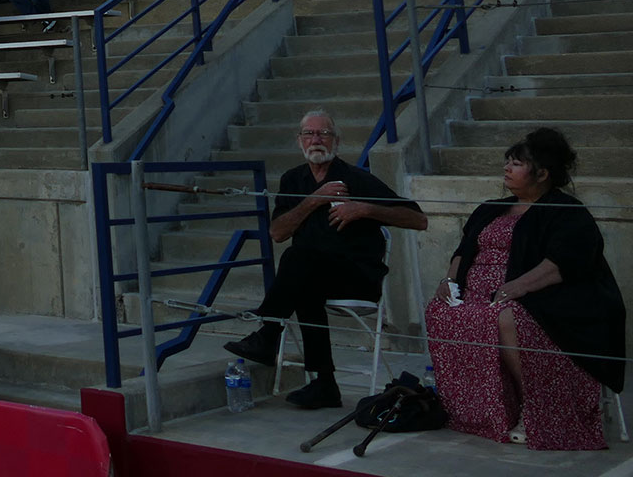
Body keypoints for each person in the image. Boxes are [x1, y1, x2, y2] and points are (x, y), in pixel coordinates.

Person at [425, 128, 625, 449]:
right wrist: (449, 281)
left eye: (516, 164)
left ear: (542, 174)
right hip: (482, 298)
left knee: (506, 317)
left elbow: (562, 264)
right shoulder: (491, 207)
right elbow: (463, 251)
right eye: (507, 162)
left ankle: (538, 410)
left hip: (546, 303)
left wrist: (515, 287)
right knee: (440, 310)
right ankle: (480, 411)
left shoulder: (566, 211)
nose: (506, 169)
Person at [221, 110, 427, 407]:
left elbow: (419, 220)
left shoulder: (357, 179)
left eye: (324, 134)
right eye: (309, 134)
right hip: (314, 275)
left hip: (357, 277)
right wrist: (313, 200)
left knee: (298, 263)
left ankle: (269, 334)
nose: (316, 140)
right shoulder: (294, 180)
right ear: (300, 141)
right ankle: (324, 385)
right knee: (301, 271)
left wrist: (364, 209)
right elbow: (278, 232)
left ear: (336, 141)